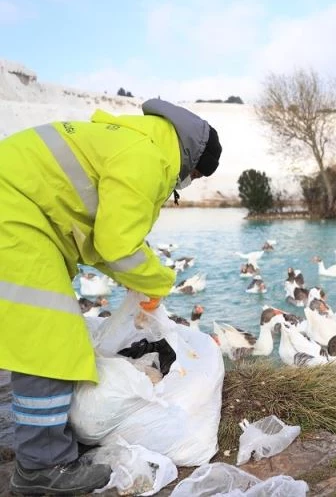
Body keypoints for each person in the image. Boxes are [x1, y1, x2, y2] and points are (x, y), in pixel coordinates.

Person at [0, 99, 221, 495]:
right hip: (13, 213)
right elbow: (117, 245)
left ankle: (42, 449)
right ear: (193, 161)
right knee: (49, 337)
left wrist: (140, 278)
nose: (188, 183)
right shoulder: (147, 159)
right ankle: (41, 468)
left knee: (40, 334)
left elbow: (106, 239)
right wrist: (157, 282)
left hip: (20, 210)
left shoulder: (135, 143)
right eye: (197, 176)